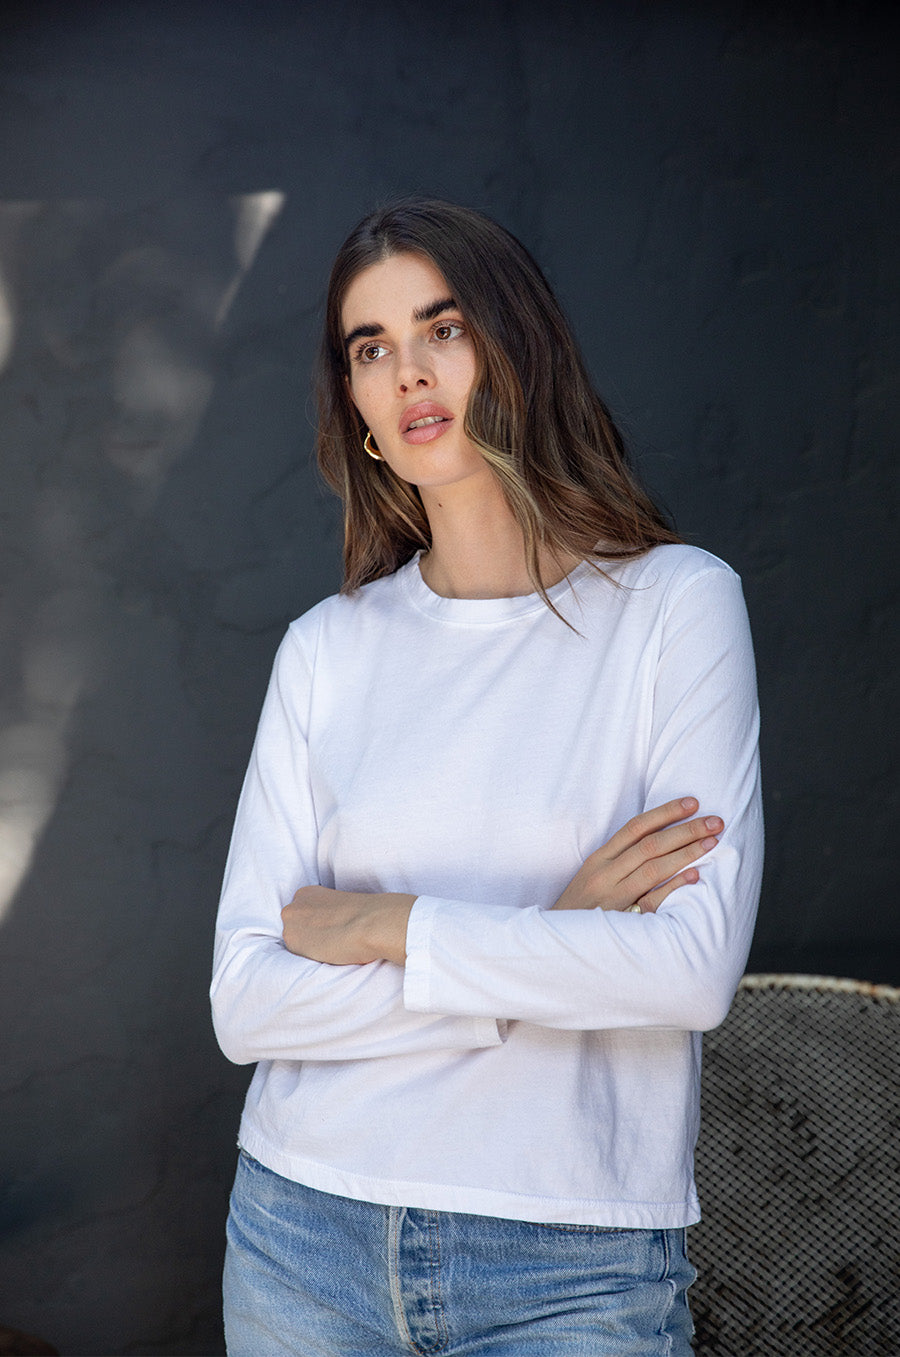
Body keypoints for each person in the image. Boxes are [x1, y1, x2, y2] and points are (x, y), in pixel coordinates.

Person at [210, 198, 763, 1356]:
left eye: (443, 328)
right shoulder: (327, 649)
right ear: (356, 407)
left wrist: (392, 923)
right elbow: (248, 1003)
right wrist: (559, 929)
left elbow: (689, 972)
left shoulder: (675, 608)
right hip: (302, 1236)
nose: (409, 371)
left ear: (519, 344)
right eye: (372, 348)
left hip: (572, 1262)